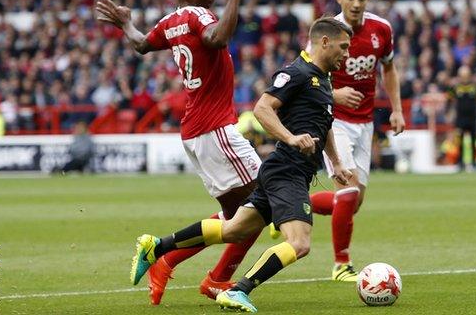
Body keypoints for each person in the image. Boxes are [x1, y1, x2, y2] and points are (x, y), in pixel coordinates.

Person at [129, 17, 353, 313]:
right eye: (344, 47)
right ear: (325, 42)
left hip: (285, 171)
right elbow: (262, 108)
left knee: (234, 229)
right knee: (299, 243)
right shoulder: (297, 72)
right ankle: (238, 290)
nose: (347, 54)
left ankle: (157, 246)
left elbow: (325, 124)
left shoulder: (323, 78)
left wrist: (335, 162)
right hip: (288, 171)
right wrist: (290, 137)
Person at [96, 0, 263, 304]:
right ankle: (176, 256)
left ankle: (167, 260)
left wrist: (126, 23)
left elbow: (141, 44)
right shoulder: (200, 15)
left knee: (238, 217)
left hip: (197, 131)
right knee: (266, 202)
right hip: (216, 129)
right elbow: (217, 39)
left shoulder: (171, 21)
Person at [302, 0, 405, 282]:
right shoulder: (326, 32)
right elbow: (303, 79)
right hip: (334, 122)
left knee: (353, 201)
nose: (357, 3)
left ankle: (290, 209)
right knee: (346, 191)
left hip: (365, 122)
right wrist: (333, 93)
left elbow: (388, 69)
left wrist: (397, 110)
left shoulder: (381, 29)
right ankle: (340, 265)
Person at [447, 66, 476, 171]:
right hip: (460, 119)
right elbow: (449, 100)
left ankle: (473, 162)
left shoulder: (475, 88)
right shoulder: (455, 88)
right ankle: (460, 162)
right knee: (460, 141)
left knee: (473, 141)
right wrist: (449, 113)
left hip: (472, 118)